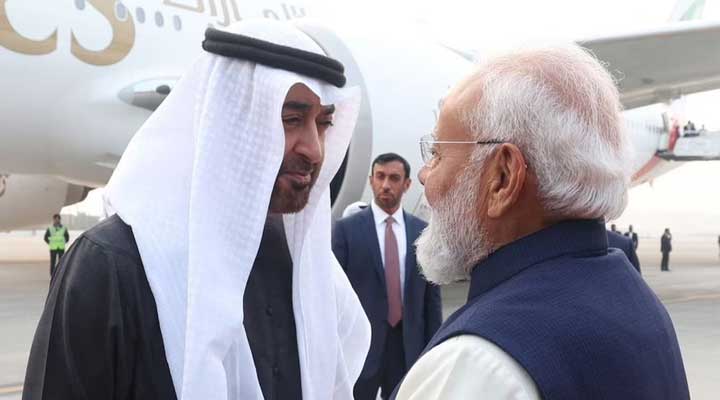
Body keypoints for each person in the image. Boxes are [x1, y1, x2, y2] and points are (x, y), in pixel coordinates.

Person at [23, 20, 371, 400]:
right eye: (291, 120)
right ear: (231, 123)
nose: (315, 150)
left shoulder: (309, 272)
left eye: (323, 124)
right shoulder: (113, 265)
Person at [393, 45, 689, 399]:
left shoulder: (478, 364)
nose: (425, 175)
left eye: (438, 154)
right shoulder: (640, 305)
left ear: (503, 178)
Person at [333, 153, 442, 400]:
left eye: (394, 178)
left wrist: (432, 349)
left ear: (407, 184)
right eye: (380, 177)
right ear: (371, 180)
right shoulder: (346, 230)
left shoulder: (422, 233)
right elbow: (334, 296)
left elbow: (431, 300)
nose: (385, 185)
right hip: (362, 348)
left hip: (407, 348)